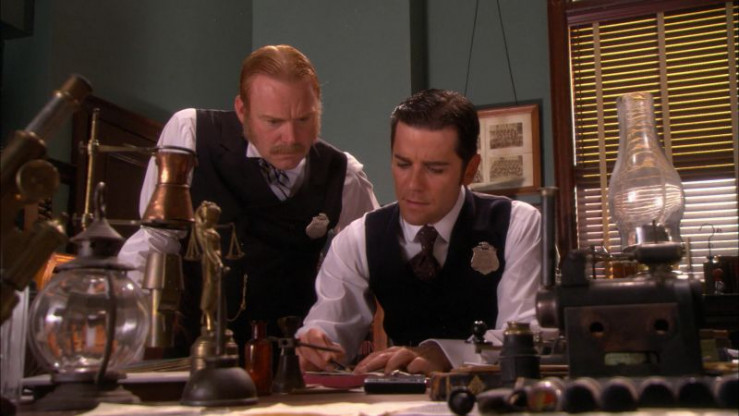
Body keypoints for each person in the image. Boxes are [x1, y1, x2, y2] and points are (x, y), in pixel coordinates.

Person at [118, 44, 379, 359]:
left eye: (304, 119)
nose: (291, 138)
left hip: (288, 362)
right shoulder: (191, 133)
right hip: (189, 356)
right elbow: (154, 243)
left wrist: (326, 335)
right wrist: (132, 342)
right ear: (242, 111)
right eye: (273, 122)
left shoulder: (343, 174)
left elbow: (364, 264)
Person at [296, 89, 542, 375]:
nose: (413, 185)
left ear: (470, 170)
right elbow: (329, 328)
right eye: (403, 164)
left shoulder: (516, 224)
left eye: (434, 169)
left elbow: (526, 337)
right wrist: (316, 344)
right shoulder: (357, 239)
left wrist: (444, 354)